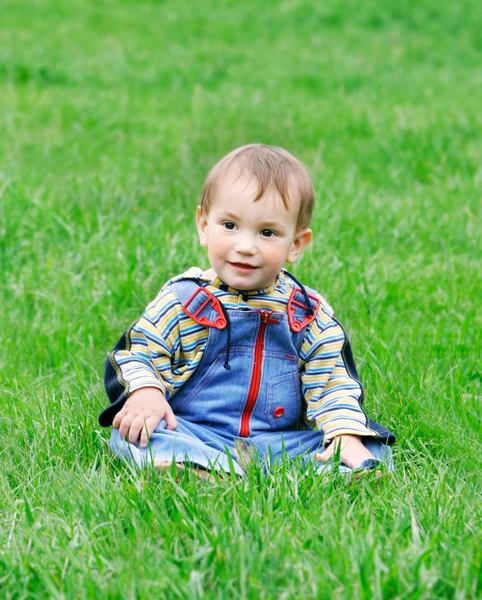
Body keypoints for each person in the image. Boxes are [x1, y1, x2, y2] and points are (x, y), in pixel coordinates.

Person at [99, 144, 395, 478]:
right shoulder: (184, 301)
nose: (245, 246)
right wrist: (146, 393)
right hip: (198, 434)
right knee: (132, 434)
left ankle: (331, 470)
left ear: (296, 244)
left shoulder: (307, 314)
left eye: (267, 232)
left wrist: (344, 434)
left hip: (278, 444)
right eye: (229, 226)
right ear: (203, 225)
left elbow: (333, 382)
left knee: (373, 446)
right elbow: (137, 352)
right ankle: (196, 465)